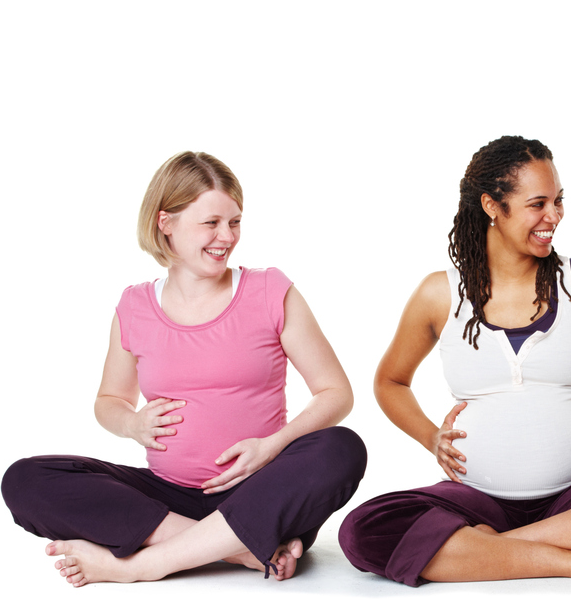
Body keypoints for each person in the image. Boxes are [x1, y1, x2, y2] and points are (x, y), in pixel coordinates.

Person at [338, 135, 571, 587]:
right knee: (364, 529)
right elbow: (390, 381)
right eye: (538, 204)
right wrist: (429, 437)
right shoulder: (439, 293)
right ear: (493, 206)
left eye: (558, 201)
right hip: (475, 499)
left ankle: (491, 551)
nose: (553, 217)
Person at [1, 151, 367, 587]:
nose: (226, 237)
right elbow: (109, 401)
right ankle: (240, 550)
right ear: (165, 223)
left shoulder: (270, 290)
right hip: (167, 498)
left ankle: (145, 564)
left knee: (341, 449)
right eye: (211, 223)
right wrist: (132, 424)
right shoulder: (134, 306)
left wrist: (271, 447)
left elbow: (335, 393)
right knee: (25, 479)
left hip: (261, 489)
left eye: (234, 222)